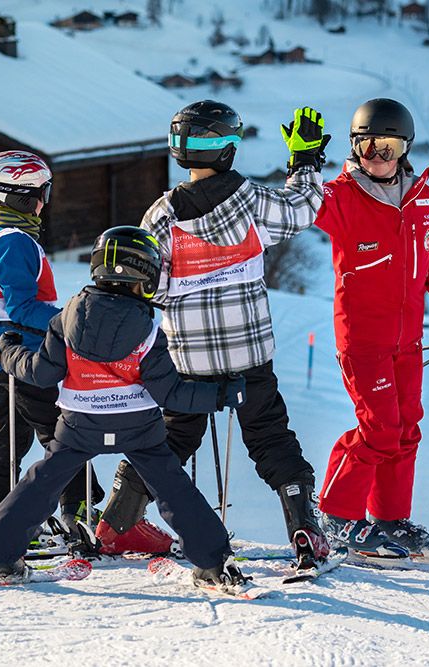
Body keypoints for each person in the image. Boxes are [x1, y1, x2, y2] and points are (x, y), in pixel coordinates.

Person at [94, 101, 333, 570]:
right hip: (248, 354)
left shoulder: (161, 216)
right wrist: (304, 161)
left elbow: (149, 286)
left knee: (171, 438)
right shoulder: (250, 201)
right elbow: (305, 208)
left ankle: (116, 525)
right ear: (228, 148)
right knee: (270, 437)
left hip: (187, 359)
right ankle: (305, 530)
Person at [0, 226, 248, 588]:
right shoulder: (149, 329)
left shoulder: (68, 318)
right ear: (147, 275)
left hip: (80, 425)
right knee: (173, 488)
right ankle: (214, 562)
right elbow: (171, 393)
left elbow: (42, 373)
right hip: (139, 426)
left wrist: (8, 351)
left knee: (41, 483)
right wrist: (221, 394)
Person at [315, 98, 429, 559]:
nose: (377, 156)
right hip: (363, 339)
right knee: (379, 428)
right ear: (354, 146)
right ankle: (337, 517)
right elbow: (297, 207)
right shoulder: (340, 196)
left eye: (388, 145)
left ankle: (389, 519)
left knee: (405, 429)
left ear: (405, 148)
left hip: (408, 340)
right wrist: (300, 166)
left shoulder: (422, 196)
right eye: (367, 145)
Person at [0, 150, 102, 541]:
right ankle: (81, 513)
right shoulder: (15, 242)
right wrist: (73, 319)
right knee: (64, 434)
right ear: (24, 196)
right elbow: (22, 306)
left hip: (5, 356)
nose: (45, 202)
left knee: (12, 437)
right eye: (43, 192)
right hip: (20, 359)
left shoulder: (3, 238)